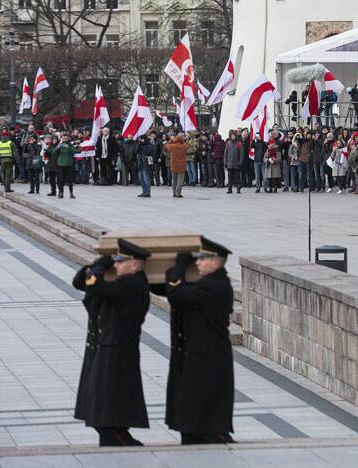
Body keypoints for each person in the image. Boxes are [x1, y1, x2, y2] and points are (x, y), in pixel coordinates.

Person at [152, 237, 235, 445]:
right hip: (199, 352)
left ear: (216, 262)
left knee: (203, 400)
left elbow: (176, 295)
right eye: (196, 259)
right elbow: (167, 289)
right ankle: (193, 434)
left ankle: (213, 434)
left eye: (201, 259)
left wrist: (179, 266)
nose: (197, 263)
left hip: (209, 355)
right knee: (190, 401)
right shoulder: (206, 283)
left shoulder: (214, 286)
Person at [72, 239, 152, 447]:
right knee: (103, 402)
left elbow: (95, 285)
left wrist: (100, 266)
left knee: (107, 403)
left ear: (134, 264)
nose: (115, 265)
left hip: (117, 350)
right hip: (107, 347)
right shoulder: (120, 283)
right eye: (114, 260)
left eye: (119, 260)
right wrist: (98, 263)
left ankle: (120, 439)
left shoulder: (132, 284)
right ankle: (117, 439)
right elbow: (80, 282)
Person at [53, 134, 79, 199]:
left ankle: (71, 193)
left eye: (66, 138)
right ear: (62, 138)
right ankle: (61, 192)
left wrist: (68, 148)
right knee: (61, 179)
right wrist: (57, 147)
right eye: (63, 138)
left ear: (68, 138)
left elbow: (75, 151)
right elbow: (53, 152)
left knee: (70, 179)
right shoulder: (60, 144)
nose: (64, 139)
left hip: (69, 164)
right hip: (61, 163)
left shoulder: (70, 144)